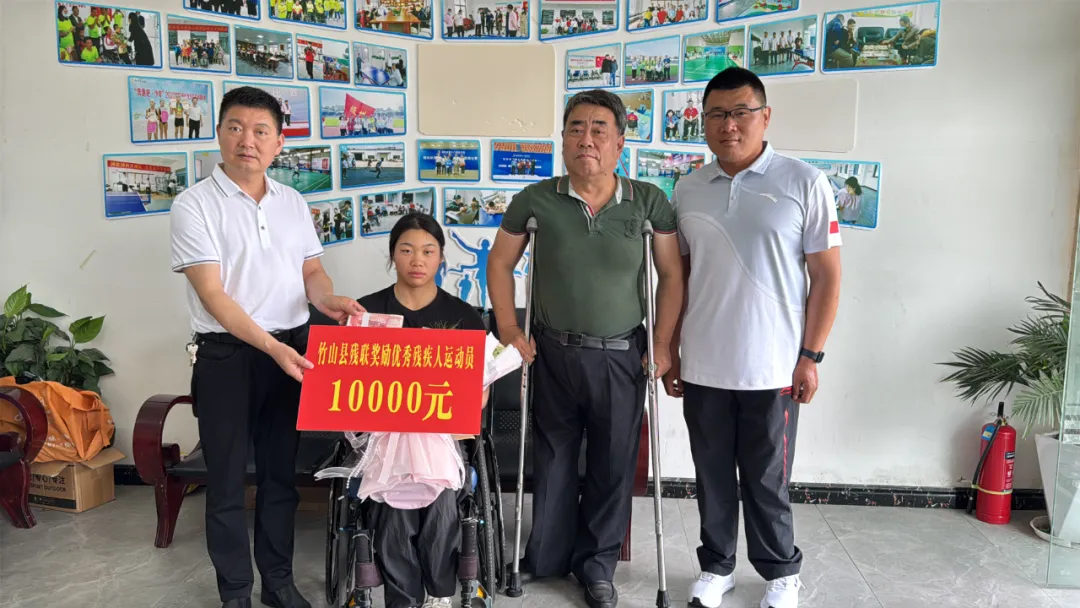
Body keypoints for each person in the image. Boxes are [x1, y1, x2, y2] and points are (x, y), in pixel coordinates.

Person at [487, 89, 684, 608]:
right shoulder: (536, 200)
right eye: (576, 128)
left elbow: (670, 274)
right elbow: (500, 263)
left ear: (620, 142)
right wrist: (509, 328)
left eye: (599, 129)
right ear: (562, 139)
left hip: (621, 354)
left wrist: (663, 343)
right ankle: (547, 556)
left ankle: (597, 565)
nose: (587, 139)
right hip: (553, 351)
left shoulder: (648, 202)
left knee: (612, 462)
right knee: (552, 457)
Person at [170, 85, 364, 608]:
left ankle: (278, 583)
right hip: (227, 356)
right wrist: (270, 348)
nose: (247, 141)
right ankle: (235, 592)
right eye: (236, 128)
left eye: (261, 131)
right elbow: (213, 296)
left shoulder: (292, 202)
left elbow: (312, 272)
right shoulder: (194, 205)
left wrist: (327, 300)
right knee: (227, 482)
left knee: (281, 477)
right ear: (219, 134)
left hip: (291, 352)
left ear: (279, 143)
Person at [664, 67, 842, 608]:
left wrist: (810, 356)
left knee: (767, 479)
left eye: (741, 112)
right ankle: (716, 566)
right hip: (704, 363)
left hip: (774, 366)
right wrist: (670, 349)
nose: (729, 125)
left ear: (765, 117)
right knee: (712, 474)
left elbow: (827, 276)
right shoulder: (688, 189)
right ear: (703, 122)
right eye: (717, 114)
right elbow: (679, 279)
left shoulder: (804, 182)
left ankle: (781, 572)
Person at [354, 212, 490, 608]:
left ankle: (438, 590)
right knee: (394, 499)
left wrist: (472, 397)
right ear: (392, 255)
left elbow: (479, 390)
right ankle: (403, 596)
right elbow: (347, 383)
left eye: (428, 251)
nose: (418, 260)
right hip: (383, 437)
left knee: (442, 499)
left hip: (443, 438)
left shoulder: (463, 317)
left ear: (441, 257)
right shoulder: (367, 313)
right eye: (407, 250)